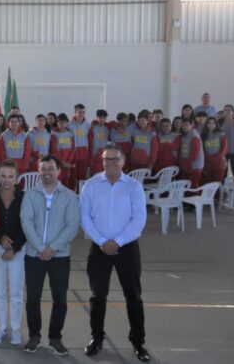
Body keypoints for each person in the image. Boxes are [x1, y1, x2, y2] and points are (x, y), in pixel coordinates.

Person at [80, 143, 150, 362]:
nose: (110, 163)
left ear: (123, 161)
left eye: (114, 159)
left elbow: (139, 219)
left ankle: (138, 342)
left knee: (133, 296)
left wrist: (117, 242)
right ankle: (96, 338)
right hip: (98, 248)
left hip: (127, 248)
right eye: (106, 159)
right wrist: (103, 242)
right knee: (98, 296)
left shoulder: (133, 187)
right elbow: (85, 218)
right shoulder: (91, 185)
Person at [20, 155, 80, 356]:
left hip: (59, 257)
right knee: (33, 298)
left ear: (58, 171)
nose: (47, 172)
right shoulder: (30, 194)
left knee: (60, 299)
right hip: (34, 255)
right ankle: (34, 336)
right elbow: (26, 222)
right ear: (39, 171)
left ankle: (55, 338)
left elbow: (72, 226)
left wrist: (52, 248)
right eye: (43, 168)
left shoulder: (69, 196)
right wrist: (40, 248)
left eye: (51, 168)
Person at [0, 160, 26, 346]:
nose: (6, 180)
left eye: (10, 176)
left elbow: (28, 225)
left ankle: (16, 330)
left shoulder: (24, 197)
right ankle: (2, 328)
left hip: (18, 248)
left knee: (16, 292)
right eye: (3, 176)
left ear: (16, 178)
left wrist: (14, 247)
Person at [68, 104, 92, 189]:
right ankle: (71, 195)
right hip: (73, 156)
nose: (81, 114)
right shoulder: (69, 125)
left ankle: (81, 194)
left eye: (83, 112)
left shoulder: (87, 125)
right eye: (79, 112)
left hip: (84, 155)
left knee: (82, 178)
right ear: (75, 112)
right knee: (72, 178)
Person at [49, 114, 75, 188]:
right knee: (57, 182)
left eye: (64, 123)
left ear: (67, 123)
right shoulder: (53, 134)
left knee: (66, 183)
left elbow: (73, 149)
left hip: (67, 164)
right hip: (57, 163)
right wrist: (62, 162)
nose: (62, 125)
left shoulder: (70, 134)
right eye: (60, 123)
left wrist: (68, 162)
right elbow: (54, 150)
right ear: (57, 123)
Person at [178, 118, 204, 189]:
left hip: (194, 166)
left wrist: (187, 163)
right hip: (186, 165)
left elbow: (195, 153)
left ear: (192, 125)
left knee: (193, 187)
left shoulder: (194, 136)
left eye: (186, 125)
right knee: (186, 187)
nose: (184, 127)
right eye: (183, 125)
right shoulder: (184, 135)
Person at [201, 117, 228, 185]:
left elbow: (224, 149)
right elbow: (202, 149)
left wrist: (216, 157)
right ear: (206, 124)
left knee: (217, 184)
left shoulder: (221, 134)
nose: (211, 125)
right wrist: (208, 157)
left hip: (219, 164)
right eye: (209, 123)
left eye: (213, 123)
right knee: (208, 184)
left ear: (216, 124)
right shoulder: (203, 135)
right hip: (207, 163)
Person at [89, 110, 111, 175]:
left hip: (104, 155)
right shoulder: (93, 127)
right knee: (96, 175)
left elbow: (114, 123)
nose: (102, 119)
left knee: (104, 175)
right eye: (100, 117)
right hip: (95, 156)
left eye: (104, 118)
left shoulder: (107, 128)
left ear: (106, 118)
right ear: (97, 118)